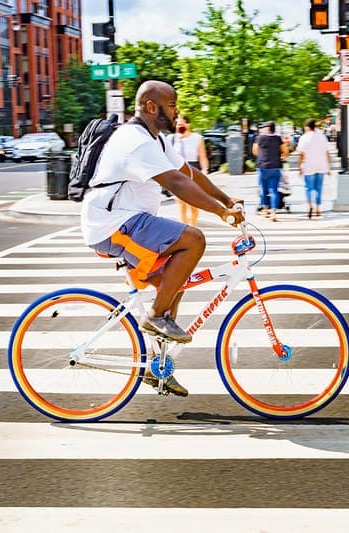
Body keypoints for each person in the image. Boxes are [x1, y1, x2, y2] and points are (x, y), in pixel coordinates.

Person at [80, 80, 244, 396]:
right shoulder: (136, 141)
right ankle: (155, 317)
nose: (177, 111)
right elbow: (176, 184)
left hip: (130, 222)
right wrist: (220, 214)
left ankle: (157, 368)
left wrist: (226, 200)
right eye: (172, 105)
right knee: (194, 240)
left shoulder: (156, 141)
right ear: (152, 107)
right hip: (112, 224)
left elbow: (190, 175)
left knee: (175, 282)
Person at [169, 115, 209, 226]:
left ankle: (193, 226)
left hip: (193, 170)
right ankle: (185, 232)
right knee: (181, 205)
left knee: (194, 204)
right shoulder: (171, 139)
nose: (179, 126)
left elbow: (202, 156)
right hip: (177, 171)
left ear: (188, 124)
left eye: (182, 124)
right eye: (178, 124)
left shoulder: (197, 138)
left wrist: (205, 170)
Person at [251, 121, 287, 222]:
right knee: (274, 191)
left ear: (267, 128)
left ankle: (265, 210)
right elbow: (285, 151)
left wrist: (262, 156)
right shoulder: (278, 138)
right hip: (275, 167)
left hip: (263, 167)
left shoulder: (259, 138)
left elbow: (254, 150)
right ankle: (273, 213)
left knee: (263, 189)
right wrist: (282, 157)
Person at [296, 118, 331, 218]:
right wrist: (328, 167)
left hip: (308, 166)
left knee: (309, 188)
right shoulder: (322, 137)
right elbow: (327, 152)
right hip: (321, 165)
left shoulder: (304, 137)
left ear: (307, 127)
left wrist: (299, 167)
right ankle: (318, 209)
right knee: (318, 188)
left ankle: (310, 205)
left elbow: (302, 154)